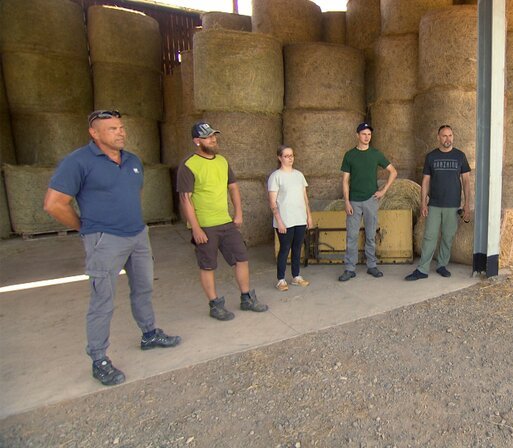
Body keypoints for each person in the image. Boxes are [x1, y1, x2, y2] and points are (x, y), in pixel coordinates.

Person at [44, 110, 181, 386]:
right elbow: (54, 203)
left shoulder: (132, 160)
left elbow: (134, 193)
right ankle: (99, 358)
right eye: (112, 129)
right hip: (105, 241)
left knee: (143, 288)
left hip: (138, 235)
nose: (121, 132)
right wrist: (85, 227)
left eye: (121, 127)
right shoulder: (78, 162)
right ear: (94, 133)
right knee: (102, 301)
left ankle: (149, 333)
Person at [176, 121, 268, 321]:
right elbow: (186, 198)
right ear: (197, 141)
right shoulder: (189, 165)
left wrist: (238, 213)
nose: (213, 139)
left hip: (225, 222)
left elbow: (233, 187)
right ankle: (215, 304)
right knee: (208, 265)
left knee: (241, 258)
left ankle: (247, 298)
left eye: (213, 135)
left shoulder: (222, 161)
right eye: (208, 136)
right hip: (205, 225)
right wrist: (196, 228)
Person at [405, 125, 471, 280]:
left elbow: (466, 181)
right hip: (434, 203)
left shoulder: (460, 156)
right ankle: (422, 269)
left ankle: (442, 265)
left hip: (453, 204)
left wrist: (467, 204)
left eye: (450, 135)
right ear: (438, 137)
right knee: (429, 236)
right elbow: (426, 180)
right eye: (444, 136)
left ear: (453, 137)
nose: (447, 139)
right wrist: (423, 203)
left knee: (448, 236)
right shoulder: (431, 157)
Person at [338, 122, 398, 282]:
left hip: (371, 199)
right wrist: (347, 202)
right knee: (351, 235)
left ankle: (372, 265)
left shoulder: (376, 154)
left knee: (371, 234)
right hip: (354, 201)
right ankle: (350, 268)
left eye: (369, 134)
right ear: (357, 135)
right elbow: (345, 181)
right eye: (363, 134)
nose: (367, 137)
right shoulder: (349, 155)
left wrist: (383, 191)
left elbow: (393, 172)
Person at [267, 145, 314, 291]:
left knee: (297, 247)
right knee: (285, 248)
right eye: (286, 156)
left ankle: (296, 276)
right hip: (285, 219)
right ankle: (281, 279)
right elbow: (272, 202)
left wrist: (308, 216)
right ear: (279, 158)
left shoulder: (299, 175)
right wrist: (279, 221)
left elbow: (304, 197)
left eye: (292, 155)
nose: (290, 158)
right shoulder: (276, 176)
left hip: (299, 218)